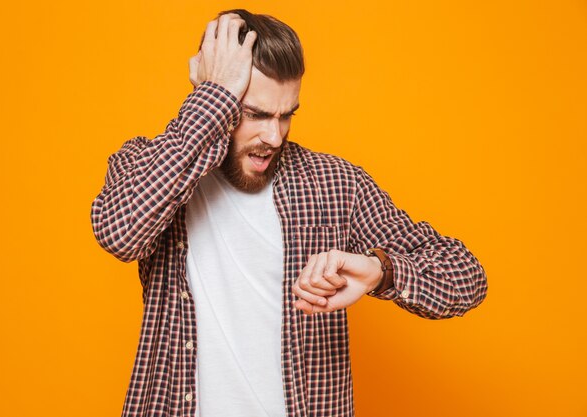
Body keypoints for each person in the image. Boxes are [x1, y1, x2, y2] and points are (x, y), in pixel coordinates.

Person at [90, 9, 487, 417]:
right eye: (255, 114)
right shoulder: (151, 167)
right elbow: (120, 232)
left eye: (286, 115)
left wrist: (380, 271)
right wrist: (214, 97)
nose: (273, 136)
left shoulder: (333, 185)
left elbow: (465, 276)